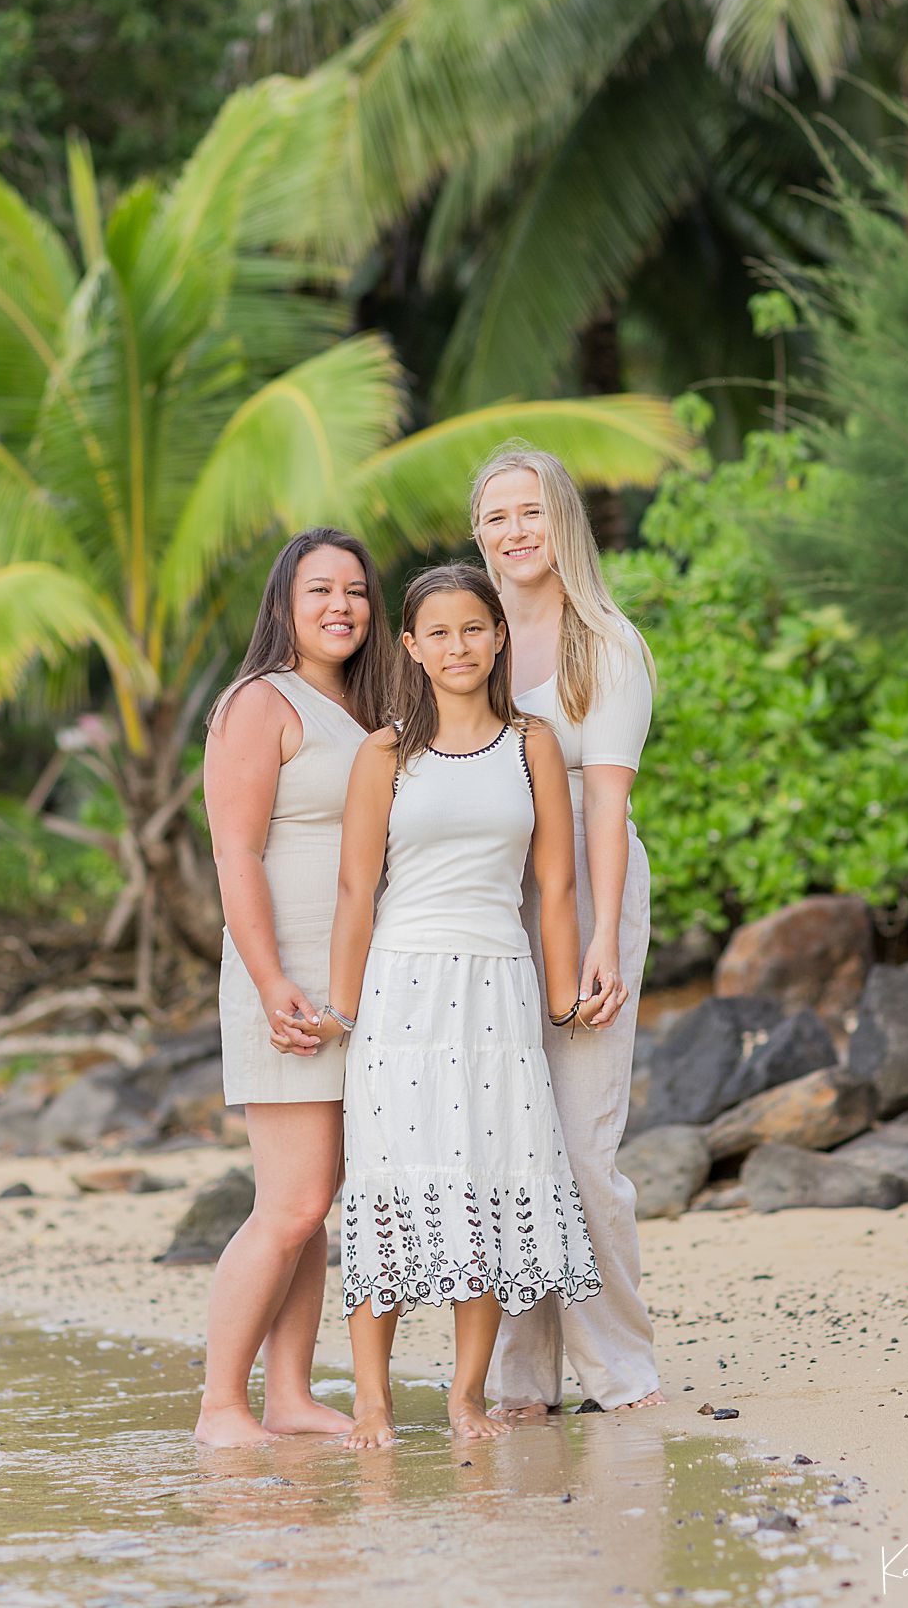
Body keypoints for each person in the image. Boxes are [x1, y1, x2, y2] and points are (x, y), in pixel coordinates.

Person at [317, 562, 601, 1450]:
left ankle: (465, 1394)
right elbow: (357, 890)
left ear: (498, 635)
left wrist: (563, 997)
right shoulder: (385, 752)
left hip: (498, 988)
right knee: (389, 1190)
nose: (458, 646)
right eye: (437, 632)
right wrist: (339, 1008)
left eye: (473, 628)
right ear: (410, 646)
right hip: (400, 992)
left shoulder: (533, 744)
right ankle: (371, 1400)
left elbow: (555, 882)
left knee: (480, 1185)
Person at [471, 446, 665, 1417]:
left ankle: (619, 1365)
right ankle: (521, 1375)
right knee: (511, 1143)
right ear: (479, 535)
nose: (516, 531)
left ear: (564, 526)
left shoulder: (607, 643)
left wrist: (598, 938)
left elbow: (607, 806)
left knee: (585, 1146)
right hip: (490, 905)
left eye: (532, 512)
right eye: (498, 515)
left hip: (590, 889)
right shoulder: (468, 644)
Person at [195, 527, 392, 1448]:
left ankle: (289, 1394)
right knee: (292, 1201)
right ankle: (220, 1405)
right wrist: (271, 978)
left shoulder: (361, 706)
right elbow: (235, 851)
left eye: (355, 590)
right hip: (283, 978)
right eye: (319, 590)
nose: (340, 606)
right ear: (284, 603)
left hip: (351, 982)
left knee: (317, 1203)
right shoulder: (257, 703)